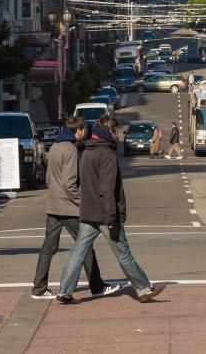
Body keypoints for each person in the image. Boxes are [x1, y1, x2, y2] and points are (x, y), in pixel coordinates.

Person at [55, 115, 165, 304]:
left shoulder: (87, 151)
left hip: (88, 211)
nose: (118, 136)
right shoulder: (107, 154)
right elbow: (107, 189)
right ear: (111, 132)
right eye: (116, 132)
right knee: (123, 252)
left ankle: (65, 291)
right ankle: (143, 288)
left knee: (78, 251)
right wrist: (111, 216)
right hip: (105, 214)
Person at [30, 116, 119, 301]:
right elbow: (70, 183)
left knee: (48, 247)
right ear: (78, 131)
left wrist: (57, 193)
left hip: (53, 205)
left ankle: (39, 288)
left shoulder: (54, 147)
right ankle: (97, 286)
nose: (85, 133)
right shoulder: (70, 150)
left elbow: (48, 179)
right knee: (84, 247)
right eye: (84, 130)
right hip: (68, 208)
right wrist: (82, 201)